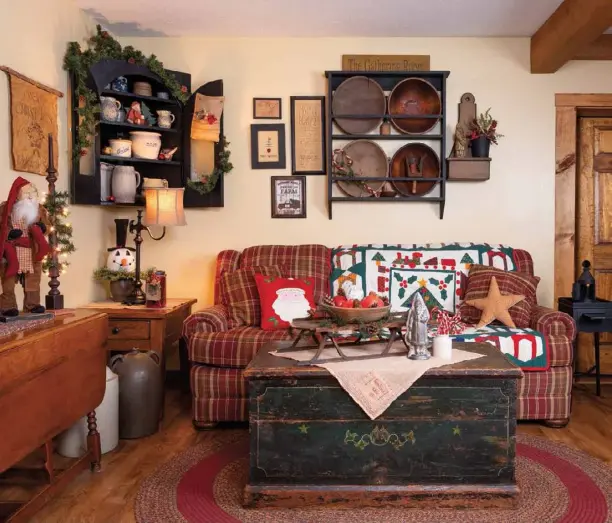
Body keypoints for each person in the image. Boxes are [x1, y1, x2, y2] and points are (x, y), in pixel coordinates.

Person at [0, 177, 51, 316]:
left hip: (32, 251)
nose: (29, 196)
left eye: (32, 192)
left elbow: (48, 226)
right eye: (26, 192)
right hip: (11, 251)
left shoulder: (39, 209)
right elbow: (1, 226)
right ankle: (7, 306)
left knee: (33, 281)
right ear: (17, 193)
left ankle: (32, 305)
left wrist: (43, 227)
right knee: (8, 281)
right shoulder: (6, 208)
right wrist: (9, 234)